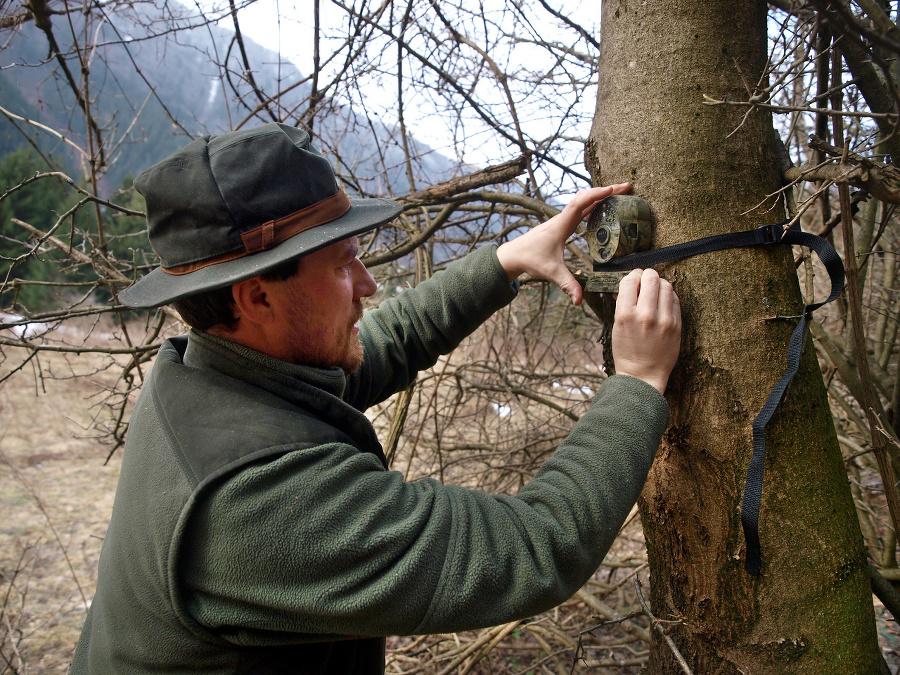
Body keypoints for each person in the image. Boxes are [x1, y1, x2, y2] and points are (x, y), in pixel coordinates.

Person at [71, 122, 681, 673]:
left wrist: (506, 262)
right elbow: (532, 547)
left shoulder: (207, 371)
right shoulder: (259, 500)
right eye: (342, 268)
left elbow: (378, 345)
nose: (367, 285)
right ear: (257, 299)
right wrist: (636, 384)